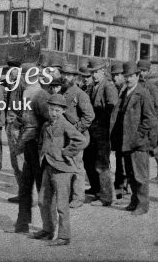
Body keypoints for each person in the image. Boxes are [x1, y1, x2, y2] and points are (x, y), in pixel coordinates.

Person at [32, 94, 87, 246]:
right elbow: (43, 142)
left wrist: (67, 152)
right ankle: (48, 230)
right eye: (51, 109)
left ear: (63, 111)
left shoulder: (64, 124)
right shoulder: (46, 124)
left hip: (62, 168)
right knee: (43, 200)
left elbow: (81, 140)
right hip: (48, 166)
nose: (53, 113)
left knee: (62, 204)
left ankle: (64, 236)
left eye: (57, 110)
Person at [7, 64, 50, 234]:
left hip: (38, 150)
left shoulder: (41, 96)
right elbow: (30, 119)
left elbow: (49, 122)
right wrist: (19, 121)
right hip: (29, 148)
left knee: (42, 190)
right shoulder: (27, 93)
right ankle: (22, 224)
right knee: (24, 187)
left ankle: (48, 228)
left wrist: (43, 145)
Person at [110, 62, 155, 215]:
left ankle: (143, 205)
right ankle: (135, 201)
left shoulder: (142, 93)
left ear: (137, 76)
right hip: (126, 143)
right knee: (131, 174)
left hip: (137, 143)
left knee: (140, 176)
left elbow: (150, 119)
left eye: (131, 76)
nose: (128, 79)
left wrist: (138, 136)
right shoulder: (125, 92)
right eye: (126, 76)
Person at [84, 58, 118, 206]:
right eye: (92, 72)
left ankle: (106, 197)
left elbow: (113, 109)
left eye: (96, 72)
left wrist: (106, 128)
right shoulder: (92, 86)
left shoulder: (108, 87)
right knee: (88, 160)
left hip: (103, 131)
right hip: (92, 130)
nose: (94, 75)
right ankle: (96, 189)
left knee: (102, 164)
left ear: (103, 72)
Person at [60, 63, 94, 209]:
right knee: (66, 165)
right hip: (64, 136)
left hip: (77, 137)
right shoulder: (62, 92)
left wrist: (76, 130)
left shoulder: (80, 94)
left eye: (69, 75)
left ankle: (78, 197)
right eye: (64, 74)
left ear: (74, 77)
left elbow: (89, 116)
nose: (65, 77)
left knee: (77, 167)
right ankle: (67, 196)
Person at [4, 60, 27, 203]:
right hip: (11, 124)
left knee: (20, 161)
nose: (10, 73)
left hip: (17, 127)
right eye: (9, 70)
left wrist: (18, 121)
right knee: (14, 161)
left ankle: (27, 195)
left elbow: (27, 107)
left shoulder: (22, 85)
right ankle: (22, 193)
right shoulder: (11, 84)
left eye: (13, 70)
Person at [110, 61, 129, 198]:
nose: (114, 78)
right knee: (119, 159)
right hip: (117, 132)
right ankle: (120, 185)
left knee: (124, 160)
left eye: (117, 75)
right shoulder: (118, 90)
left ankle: (122, 186)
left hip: (126, 132)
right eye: (113, 75)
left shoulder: (128, 90)